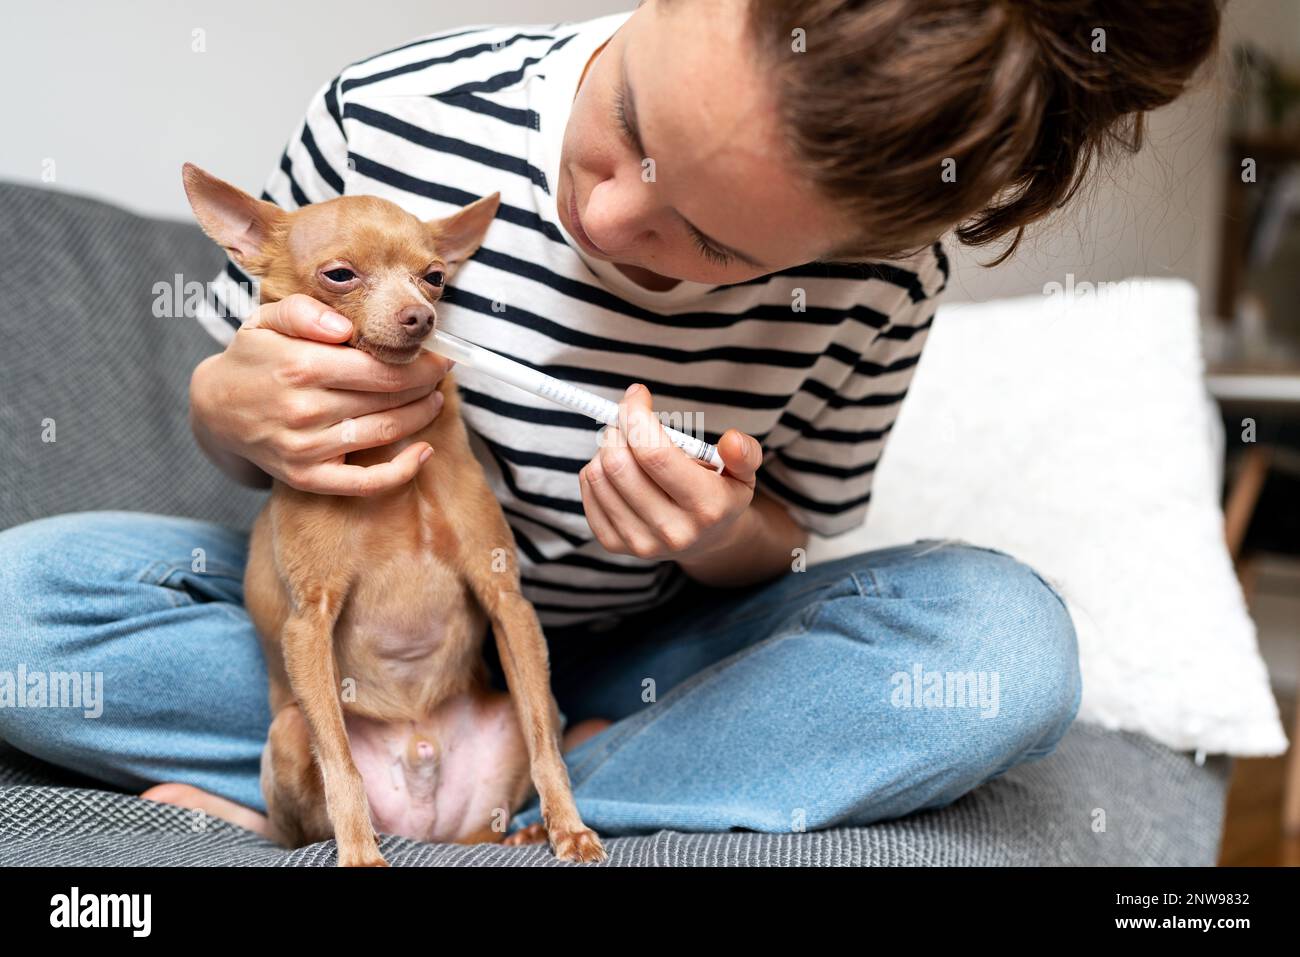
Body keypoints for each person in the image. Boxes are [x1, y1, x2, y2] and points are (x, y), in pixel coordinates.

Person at [0, 0, 1220, 840]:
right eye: (631, 125)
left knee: (1002, 648)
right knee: (21, 601)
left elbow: (797, 539)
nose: (612, 213)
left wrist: (714, 535)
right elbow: (249, 431)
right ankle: (442, 784)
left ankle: (527, 781)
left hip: (648, 670)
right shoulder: (392, 114)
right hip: (374, 639)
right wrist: (228, 407)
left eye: (715, 244)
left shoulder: (881, 283)